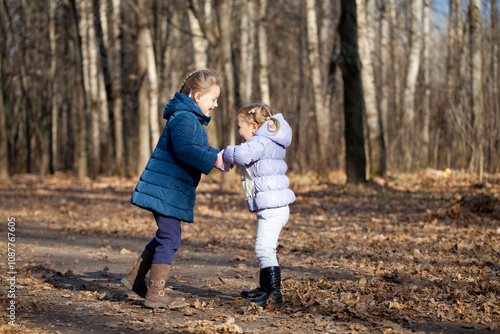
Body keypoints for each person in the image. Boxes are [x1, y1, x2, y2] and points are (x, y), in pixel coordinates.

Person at [121, 69, 230, 309]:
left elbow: (194, 147)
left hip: (169, 188)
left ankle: (135, 278)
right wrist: (214, 160)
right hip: (166, 188)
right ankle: (155, 293)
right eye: (213, 99)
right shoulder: (184, 117)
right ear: (198, 96)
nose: (215, 104)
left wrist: (221, 155)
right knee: (170, 237)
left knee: (165, 235)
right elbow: (185, 151)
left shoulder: (189, 118)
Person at [223, 103, 295, 307]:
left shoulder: (259, 142)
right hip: (274, 206)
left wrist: (226, 152)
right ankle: (265, 288)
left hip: (273, 208)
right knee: (265, 248)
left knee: (264, 249)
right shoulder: (269, 141)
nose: (238, 132)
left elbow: (241, 155)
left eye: (239, 127)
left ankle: (274, 294)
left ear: (253, 127)